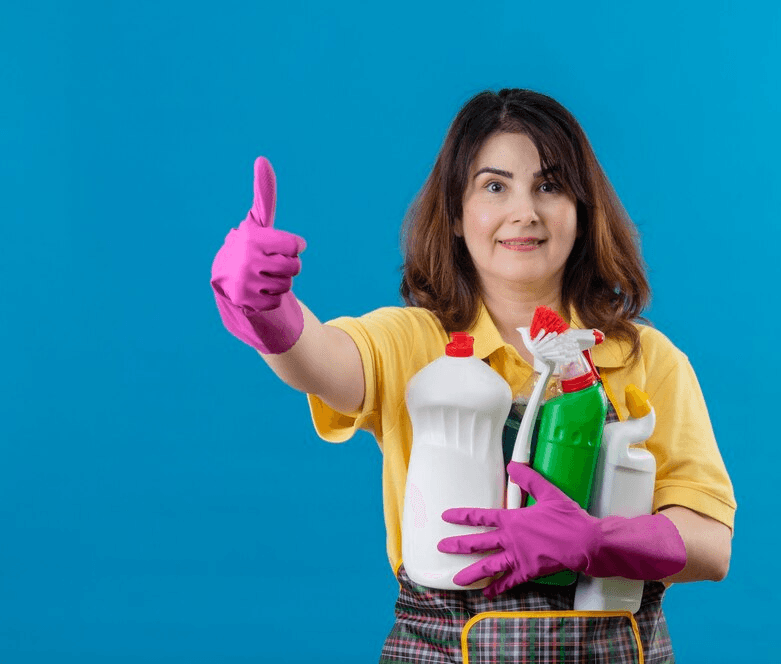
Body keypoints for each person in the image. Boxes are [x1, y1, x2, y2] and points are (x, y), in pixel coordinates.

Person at [211, 88, 736, 663]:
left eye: (550, 186)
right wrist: (264, 308)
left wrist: (594, 542)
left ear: (583, 211)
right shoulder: (415, 343)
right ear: (457, 216)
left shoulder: (645, 359)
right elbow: (320, 359)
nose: (525, 212)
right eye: (494, 186)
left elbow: (710, 543)